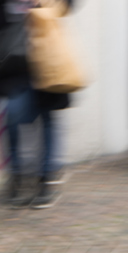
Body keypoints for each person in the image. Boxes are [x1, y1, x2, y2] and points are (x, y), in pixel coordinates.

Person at [0, 0, 71, 209]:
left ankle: (46, 180)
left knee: (48, 118)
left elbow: (68, 7)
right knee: (13, 117)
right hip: (15, 65)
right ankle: (17, 175)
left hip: (48, 61)